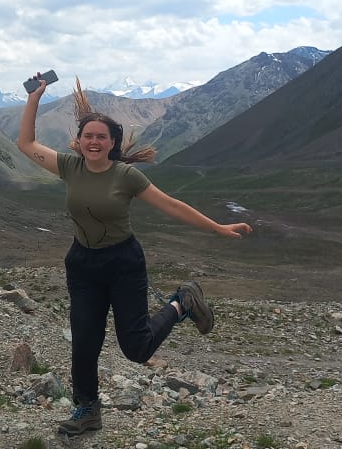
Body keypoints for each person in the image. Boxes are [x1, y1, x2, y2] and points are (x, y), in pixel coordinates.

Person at [16, 73, 254, 436]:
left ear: (113, 143)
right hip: (82, 265)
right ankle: (87, 411)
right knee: (84, 343)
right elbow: (25, 142)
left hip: (123, 263)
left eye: (101, 137)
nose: (94, 141)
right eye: (88, 135)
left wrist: (219, 228)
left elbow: (171, 205)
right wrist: (34, 97)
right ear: (79, 141)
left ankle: (181, 303)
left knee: (137, 348)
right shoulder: (68, 166)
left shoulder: (126, 176)